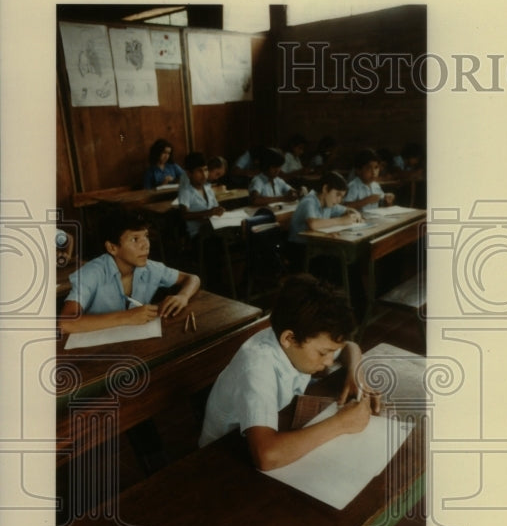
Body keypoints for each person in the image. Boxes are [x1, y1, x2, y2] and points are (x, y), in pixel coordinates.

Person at [199, 274, 379, 469]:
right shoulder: (257, 366)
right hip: (223, 456)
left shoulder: (299, 337)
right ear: (289, 339)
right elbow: (267, 456)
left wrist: (355, 373)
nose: (329, 362)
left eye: (331, 352)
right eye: (323, 353)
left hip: (273, 424)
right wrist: (341, 423)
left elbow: (349, 347)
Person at [58, 208, 200, 334]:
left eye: (146, 236)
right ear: (112, 248)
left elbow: (192, 278)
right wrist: (127, 317)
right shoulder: (92, 273)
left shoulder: (149, 268)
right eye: (135, 239)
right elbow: (65, 322)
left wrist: (183, 296)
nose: (146, 245)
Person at [288, 171, 362, 245]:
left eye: (342, 197)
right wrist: (342, 220)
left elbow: (347, 209)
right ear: (325, 189)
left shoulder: (328, 203)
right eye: (337, 194)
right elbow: (313, 224)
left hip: (315, 243)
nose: (339, 200)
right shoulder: (309, 201)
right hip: (299, 247)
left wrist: (356, 214)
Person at [177, 151, 226, 240]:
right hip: (198, 236)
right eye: (199, 171)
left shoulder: (208, 188)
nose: (204, 175)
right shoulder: (185, 191)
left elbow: (215, 209)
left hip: (212, 229)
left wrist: (219, 211)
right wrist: (209, 212)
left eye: (206, 170)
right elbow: (184, 215)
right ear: (189, 174)